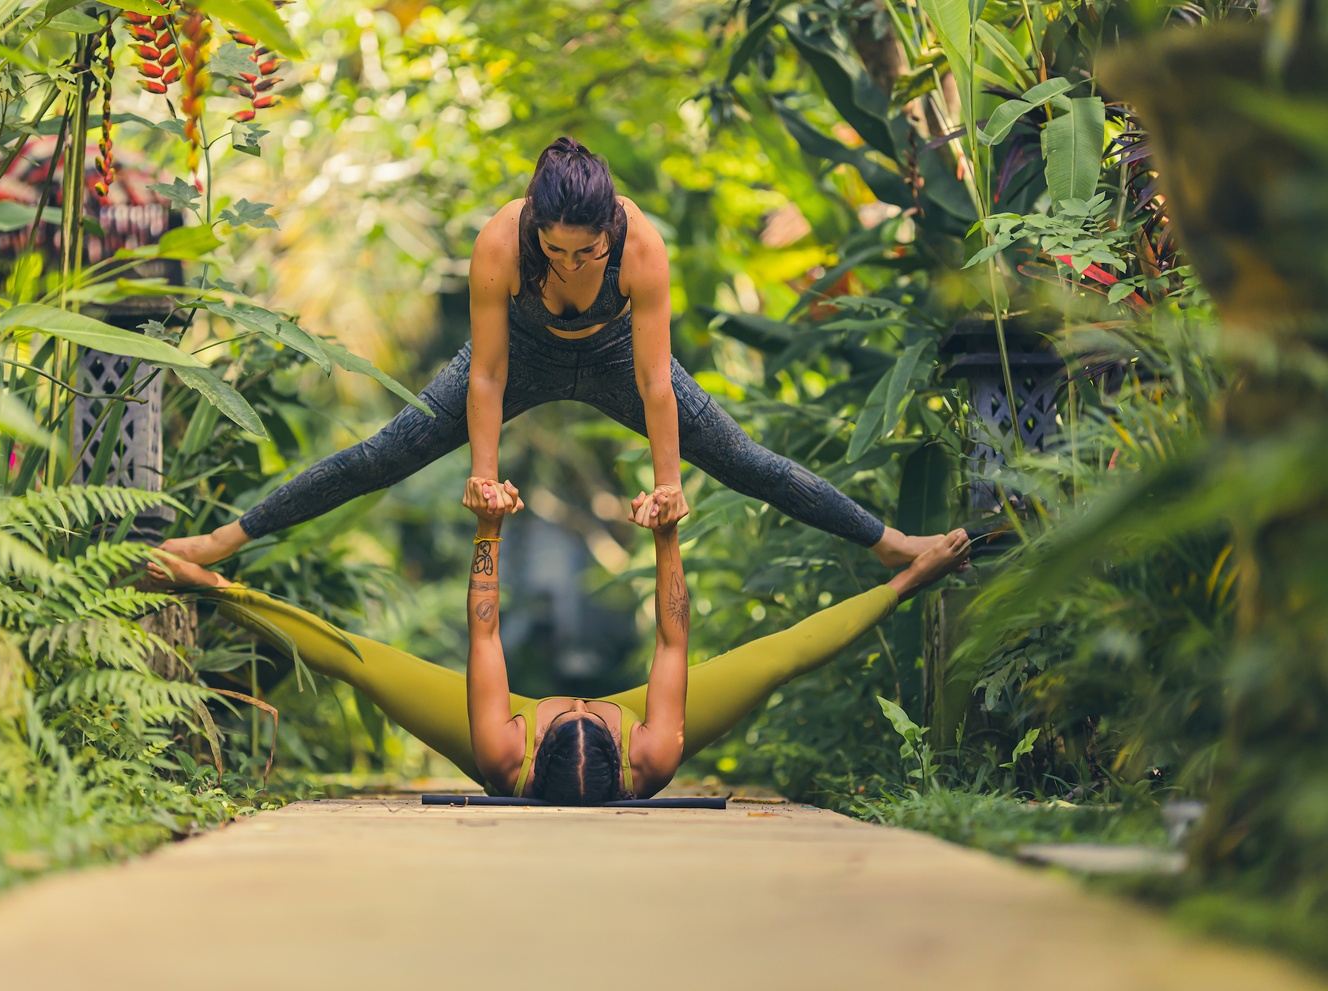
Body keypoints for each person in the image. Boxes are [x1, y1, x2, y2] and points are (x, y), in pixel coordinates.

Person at [152, 136, 945, 579]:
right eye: (555, 249)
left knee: (744, 459)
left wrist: (670, 485)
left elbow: (655, 382)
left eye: (586, 250)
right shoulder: (502, 240)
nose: (569, 264)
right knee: (382, 452)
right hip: (523, 356)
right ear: (536, 230)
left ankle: (893, 545)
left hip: (613, 358)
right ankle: (219, 544)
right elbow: (489, 374)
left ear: (610, 231)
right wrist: (485, 475)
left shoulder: (642, 248)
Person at [152, 482, 972, 804]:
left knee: (357, 661)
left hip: (502, 715)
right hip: (608, 730)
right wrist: (666, 540)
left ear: (532, 741)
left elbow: (483, 626)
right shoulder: (653, 746)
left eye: (572, 714)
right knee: (778, 659)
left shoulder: (498, 743)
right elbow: (675, 641)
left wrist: (487, 532)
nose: (581, 704)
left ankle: (208, 583)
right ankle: (910, 576)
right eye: (586, 713)